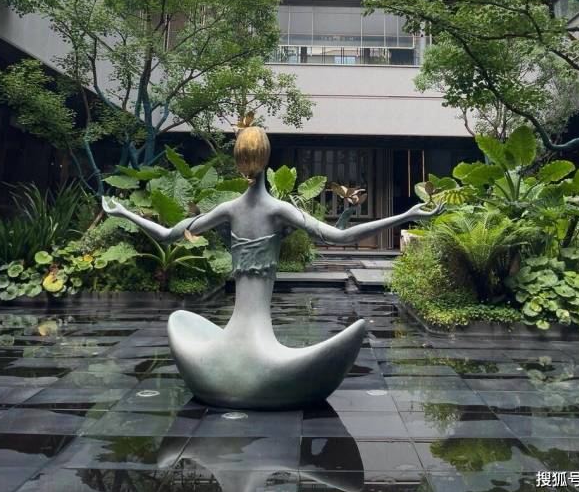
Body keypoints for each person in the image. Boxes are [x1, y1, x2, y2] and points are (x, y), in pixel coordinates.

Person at [102, 125, 441, 409]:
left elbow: (166, 235)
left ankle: (232, 378)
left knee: (182, 323)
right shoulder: (279, 210)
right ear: (266, 160)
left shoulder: (228, 209)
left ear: (239, 163)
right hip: (259, 357)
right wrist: (405, 215)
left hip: (220, 365)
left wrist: (124, 212)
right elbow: (339, 236)